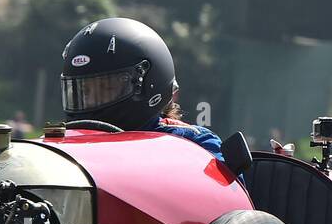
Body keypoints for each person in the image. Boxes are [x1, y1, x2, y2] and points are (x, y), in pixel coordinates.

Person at [59, 16, 225, 161]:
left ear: (147, 83)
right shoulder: (62, 145)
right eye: (85, 92)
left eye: (106, 88)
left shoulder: (195, 145)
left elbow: (223, 193)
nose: (92, 100)